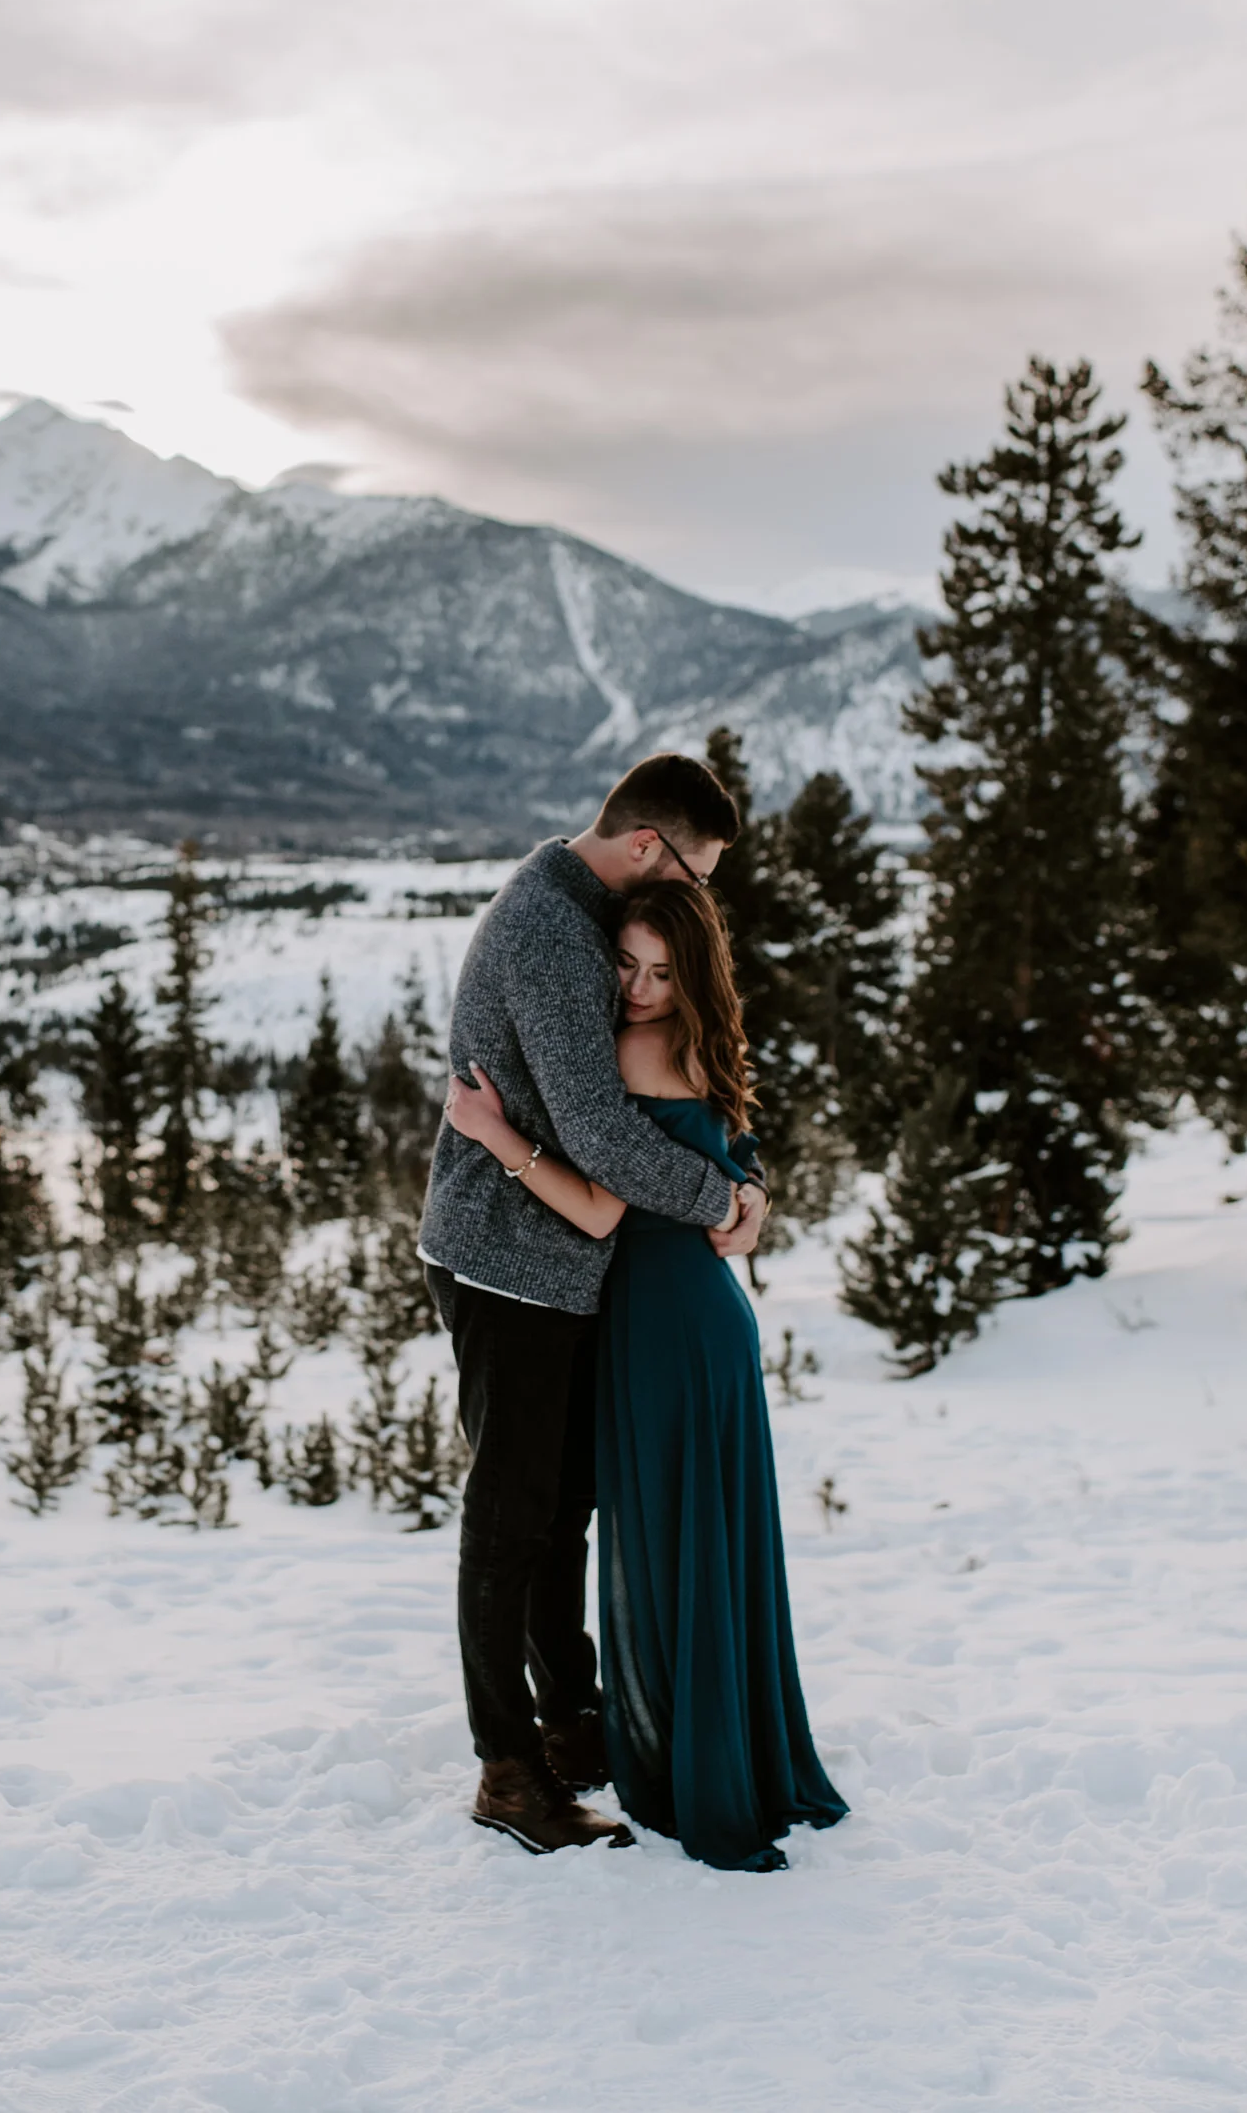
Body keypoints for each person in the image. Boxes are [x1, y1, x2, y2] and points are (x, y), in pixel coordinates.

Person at [448, 878, 847, 1872]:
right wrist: (745, 1196)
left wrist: (496, 1137)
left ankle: (681, 1751)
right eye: (623, 964)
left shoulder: (631, 1053)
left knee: (669, 1533)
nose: (634, 987)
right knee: (698, 1536)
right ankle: (717, 1736)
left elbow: (597, 1209)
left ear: (692, 975)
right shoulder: (709, 1045)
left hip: (661, 1323)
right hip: (701, 1319)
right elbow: (735, 1151)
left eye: (661, 972)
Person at [419, 752, 768, 1855]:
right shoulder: (551, 934)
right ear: (648, 848)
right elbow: (602, 1134)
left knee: (561, 1503)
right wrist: (722, 1198)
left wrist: (746, 1180)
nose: (696, 898)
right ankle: (507, 1768)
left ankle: (570, 1717)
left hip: (564, 1263)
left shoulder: (582, 916)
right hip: (509, 1258)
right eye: (696, 874)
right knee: (512, 1516)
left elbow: (668, 1096)